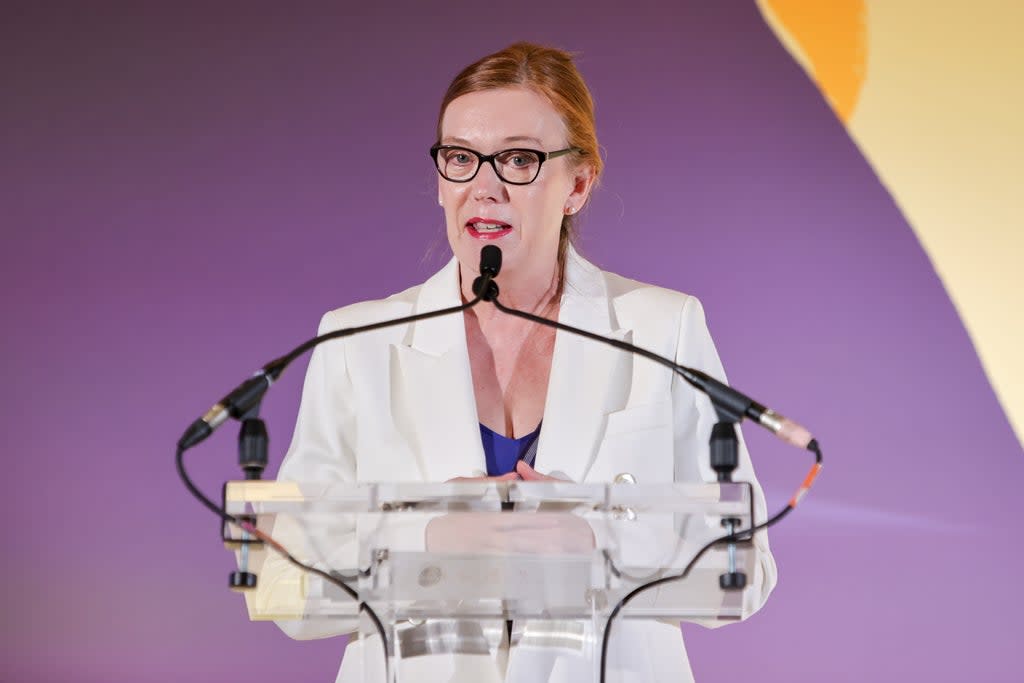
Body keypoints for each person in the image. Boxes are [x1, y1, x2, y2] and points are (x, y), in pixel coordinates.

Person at [273, 42, 777, 682]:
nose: (483, 187)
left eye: (518, 159)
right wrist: (427, 536)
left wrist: (598, 538)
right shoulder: (357, 342)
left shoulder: (661, 329)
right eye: (460, 158)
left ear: (578, 184)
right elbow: (285, 581)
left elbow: (744, 573)